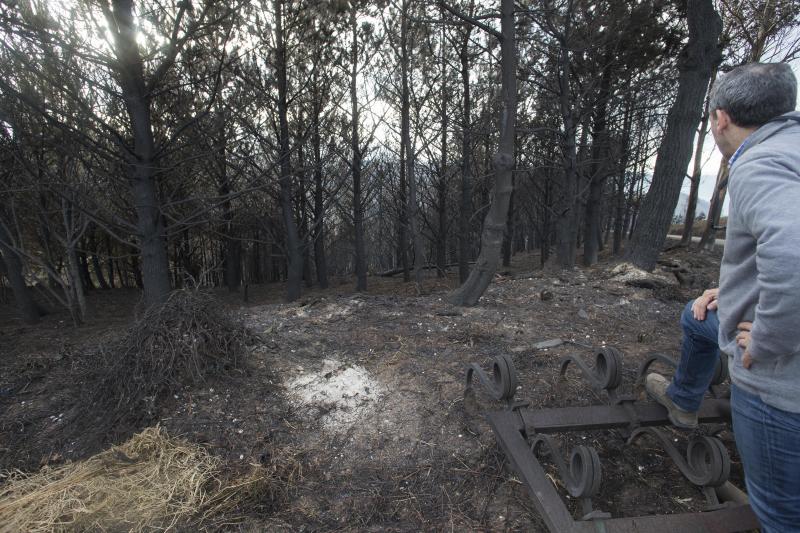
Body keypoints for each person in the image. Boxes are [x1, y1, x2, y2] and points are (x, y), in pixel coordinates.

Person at [646, 62, 800, 533]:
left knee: (779, 515)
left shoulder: (759, 165)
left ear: (720, 119)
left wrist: (771, 339)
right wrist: (734, 287)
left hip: (781, 379)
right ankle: (684, 402)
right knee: (697, 317)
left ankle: (684, 403)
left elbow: (792, 249)